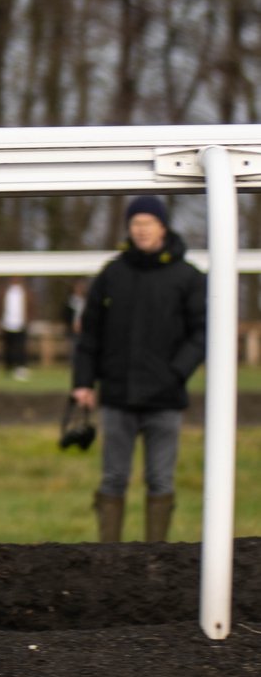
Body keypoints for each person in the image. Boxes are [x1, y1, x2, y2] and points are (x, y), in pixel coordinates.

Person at [73, 194, 206, 543]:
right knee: (113, 478)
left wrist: (175, 373)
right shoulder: (112, 274)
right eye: (136, 223)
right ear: (128, 228)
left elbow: (202, 333)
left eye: (148, 223)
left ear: (162, 226)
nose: (142, 230)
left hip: (166, 400)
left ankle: (156, 560)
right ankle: (109, 560)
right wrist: (83, 382)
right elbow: (90, 332)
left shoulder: (188, 277)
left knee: (160, 480)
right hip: (117, 396)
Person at [0, 279, 32, 381]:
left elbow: (29, 307)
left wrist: (27, 320)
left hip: (20, 324)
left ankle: (20, 369)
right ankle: (8, 368)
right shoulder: (5, 291)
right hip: (7, 324)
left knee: (20, 347)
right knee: (8, 348)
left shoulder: (24, 291)